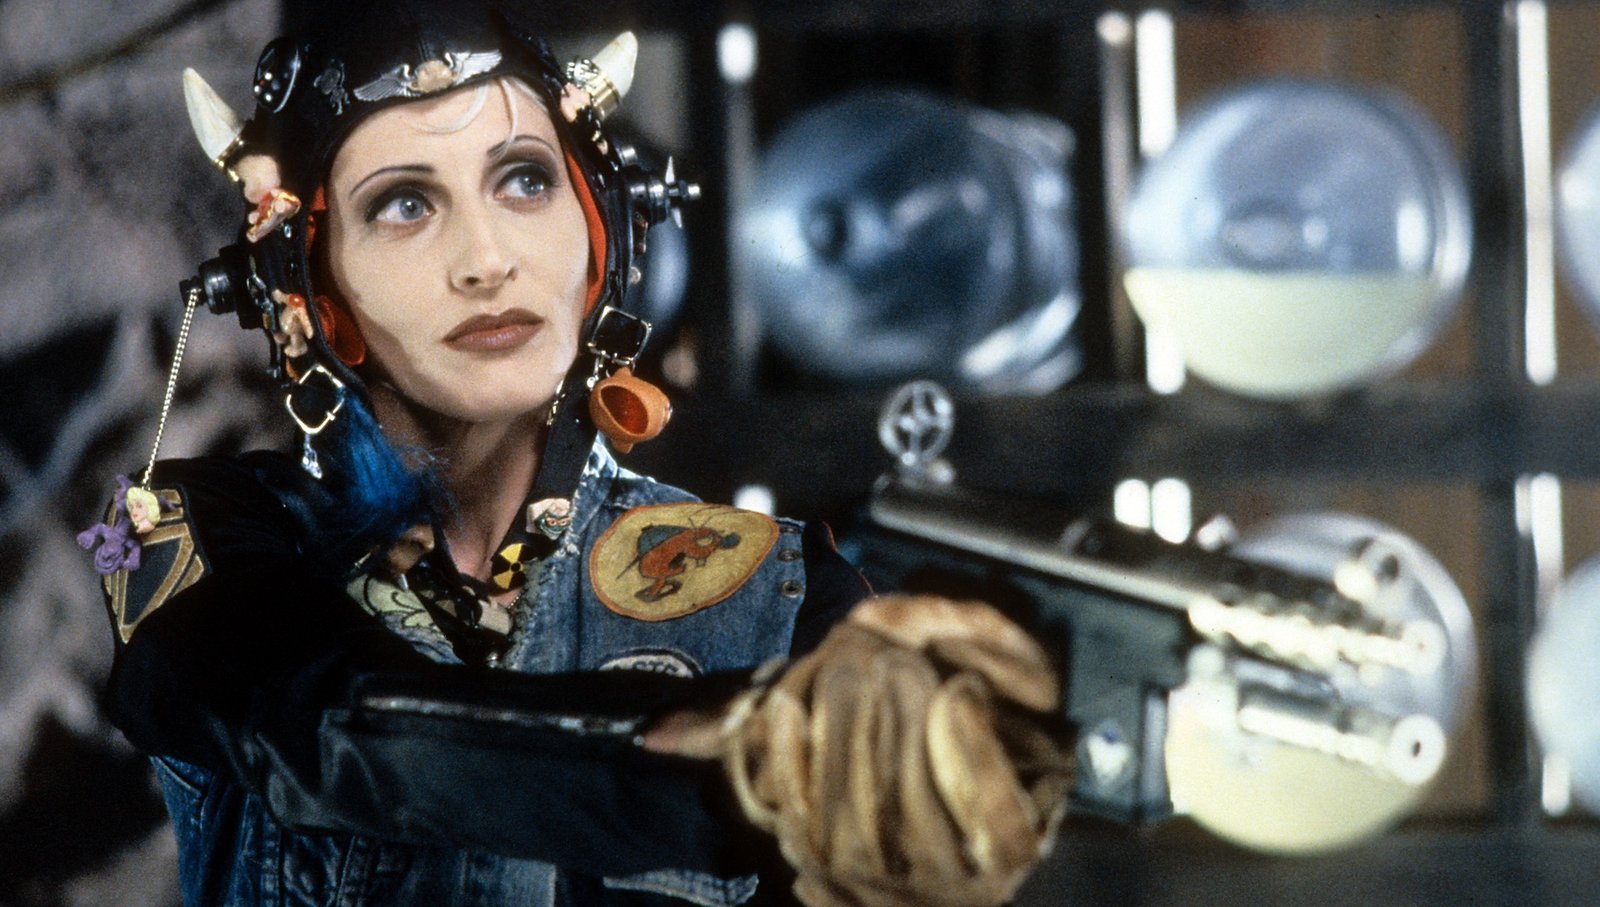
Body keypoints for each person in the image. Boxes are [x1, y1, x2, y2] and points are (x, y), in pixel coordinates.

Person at [81, 3, 1070, 905]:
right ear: (306, 286)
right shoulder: (181, 534)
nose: (487, 259)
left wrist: (933, 791)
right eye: (405, 204)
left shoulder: (781, 592)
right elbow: (323, 727)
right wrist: (731, 764)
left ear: (598, 227)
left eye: (524, 180)